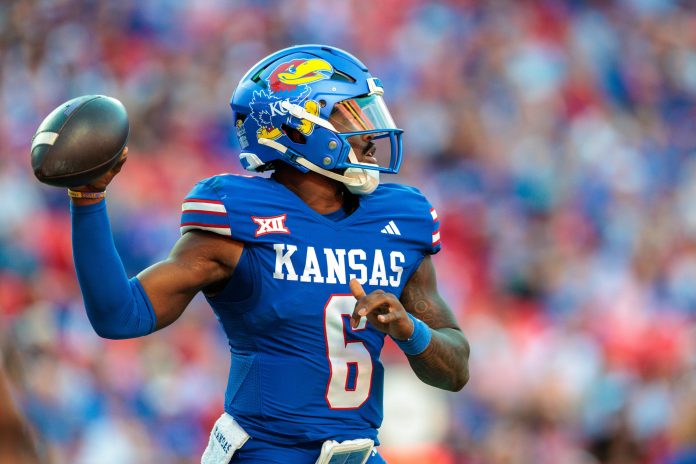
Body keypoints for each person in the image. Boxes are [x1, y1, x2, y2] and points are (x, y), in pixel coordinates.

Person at [68, 44, 470, 463]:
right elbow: (120, 316)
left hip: (360, 454)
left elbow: (456, 370)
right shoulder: (239, 218)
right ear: (297, 129)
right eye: (350, 114)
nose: (369, 133)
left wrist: (410, 331)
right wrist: (89, 197)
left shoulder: (399, 220)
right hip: (265, 453)